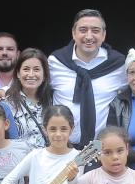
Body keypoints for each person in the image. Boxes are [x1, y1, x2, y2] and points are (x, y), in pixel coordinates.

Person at [49, 9, 126, 145]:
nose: (89, 36)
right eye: (83, 30)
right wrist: (4, 90)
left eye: (95, 30)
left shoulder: (119, 64)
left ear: (104, 35)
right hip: (62, 147)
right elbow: (32, 88)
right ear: (73, 33)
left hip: (102, 149)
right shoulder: (55, 61)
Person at [3, 48, 55, 151]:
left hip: (48, 162)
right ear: (18, 73)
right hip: (20, 163)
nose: (31, 74)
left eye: (36, 69)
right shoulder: (6, 104)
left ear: (44, 75)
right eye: (26, 69)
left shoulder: (53, 100)